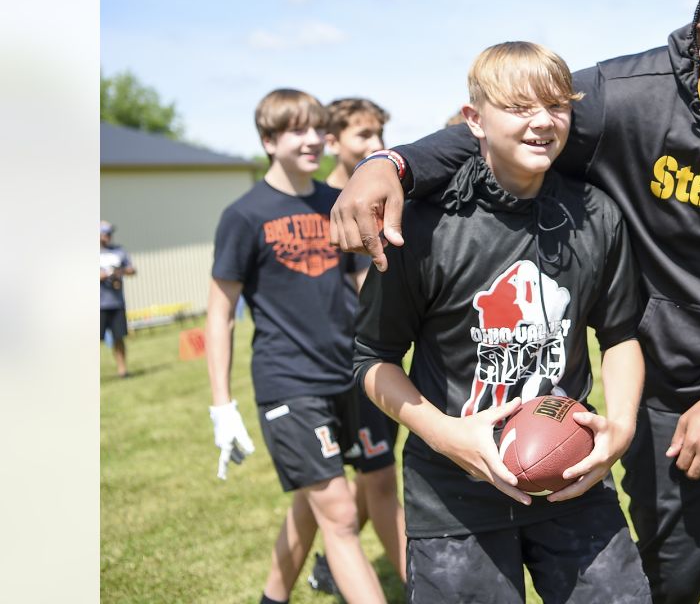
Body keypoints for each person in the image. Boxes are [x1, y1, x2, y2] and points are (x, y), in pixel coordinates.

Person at [332, 0, 700, 603]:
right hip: (672, 379)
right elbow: (506, 128)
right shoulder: (628, 95)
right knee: (667, 579)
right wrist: (388, 165)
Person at [353, 42, 650, 602]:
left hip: (571, 479)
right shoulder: (423, 227)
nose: (542, 122)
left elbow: (621, 336)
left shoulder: (597, 214)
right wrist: (448, 437)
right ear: (475, 120)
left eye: (557, 106)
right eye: (518, 107)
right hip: (454, 495)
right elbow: (372, 360)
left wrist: (624, 428)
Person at [205, 88, 386, 604]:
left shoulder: (338, 203)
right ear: (268, 141)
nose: (312, 140)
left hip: (348, 376)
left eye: (316, 128)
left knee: (314, 503)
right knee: (342, 514)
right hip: (290, 383)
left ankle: (272, 598)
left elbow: (363, 289)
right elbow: (220, 314)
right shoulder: (243, 216)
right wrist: (222, 406)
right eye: (296, 131)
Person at [300, 97, 407, 595]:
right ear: (333, 141)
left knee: (372, 477)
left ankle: (319, 570)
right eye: (363, 137)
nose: (376, 147)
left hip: (379, 356)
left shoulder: (389, 193)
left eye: (379, 135)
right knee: (332, 494)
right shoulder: (318, 205)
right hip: (329, 365)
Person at [99, 220, 136, 378]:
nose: (108, 236)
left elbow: (132, 269)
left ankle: (122, 370)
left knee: (118, 337)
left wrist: (119, 272)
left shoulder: (119, 251)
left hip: (116, 302)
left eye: (109, 233)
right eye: (105, 233)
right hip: (98, 304)